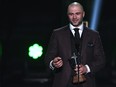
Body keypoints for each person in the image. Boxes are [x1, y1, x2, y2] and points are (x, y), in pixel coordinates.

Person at [44, 2, 105, 87]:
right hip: (63, 83)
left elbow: (101, 60)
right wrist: (53, 63)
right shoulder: (57, 34)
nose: (74, 17)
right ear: (67, 15)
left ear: (83, 14)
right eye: (71, 14)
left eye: (77, 13)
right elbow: (48, 58)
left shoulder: (93, 35)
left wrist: (86, 68)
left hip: (87, 83)